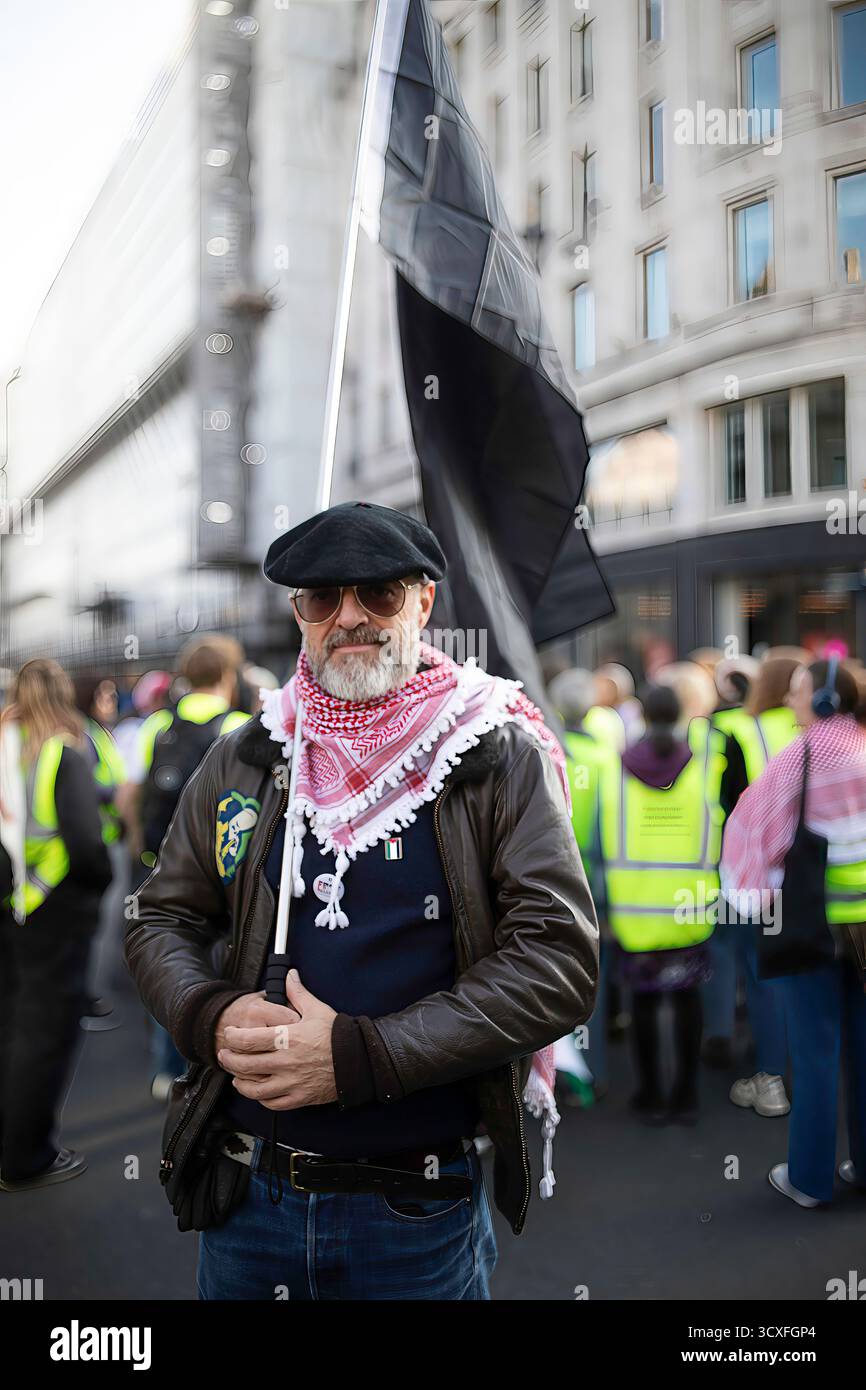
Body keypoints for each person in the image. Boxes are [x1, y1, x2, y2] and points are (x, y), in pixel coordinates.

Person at [124, 501, 598, 1301]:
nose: (350, 617)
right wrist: (206, 1013)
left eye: (378, 593)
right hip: (247, 1202)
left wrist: (360, 1057)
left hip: (414, 1210)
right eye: (322, 597)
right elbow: (159, 916)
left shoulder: (492, 752)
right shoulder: (248, 753)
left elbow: (558, 961)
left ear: (423, 602)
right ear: (298, 615)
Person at [721, 658, 866, 1206]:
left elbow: (754, 832)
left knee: (814, 1049)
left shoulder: (801, 756)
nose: (790, 701)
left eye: (800, 692)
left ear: (825, 701)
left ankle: (808, 1180)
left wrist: (751, 896)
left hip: (813, 929)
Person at [0, 659, 111, 1190]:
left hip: (10, 903)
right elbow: (86, 844)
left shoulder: (5, 745)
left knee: (12, 1025)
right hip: (53, 906)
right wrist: (102, 882)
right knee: (45, 1036)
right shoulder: (62, 750)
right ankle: (27, 1157)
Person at [600, 684, 726, 1125]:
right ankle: (686, 1095)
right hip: (688, 910)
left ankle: (652, 1096)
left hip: (635, 913)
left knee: (645, 1005)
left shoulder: (616, 767)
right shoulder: (704, 764)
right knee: (689, 999)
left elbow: (602, 838)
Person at [705, 656, 800, 1106]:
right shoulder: (816, 731)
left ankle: (769, 1078)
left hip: (752, 870)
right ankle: (790, 1067)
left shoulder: (733, 729)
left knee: (758, 972)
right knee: (793, 974)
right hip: (806, 870)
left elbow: (721, 803)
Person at [549, 666, 616, 1101]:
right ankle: (588, 1070)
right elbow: (611, 828)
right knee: (591, 978)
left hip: (548, 880)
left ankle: (552, 1068)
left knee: (550, 973)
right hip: (590, 881)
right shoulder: (605, 758)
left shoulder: (543, 747)